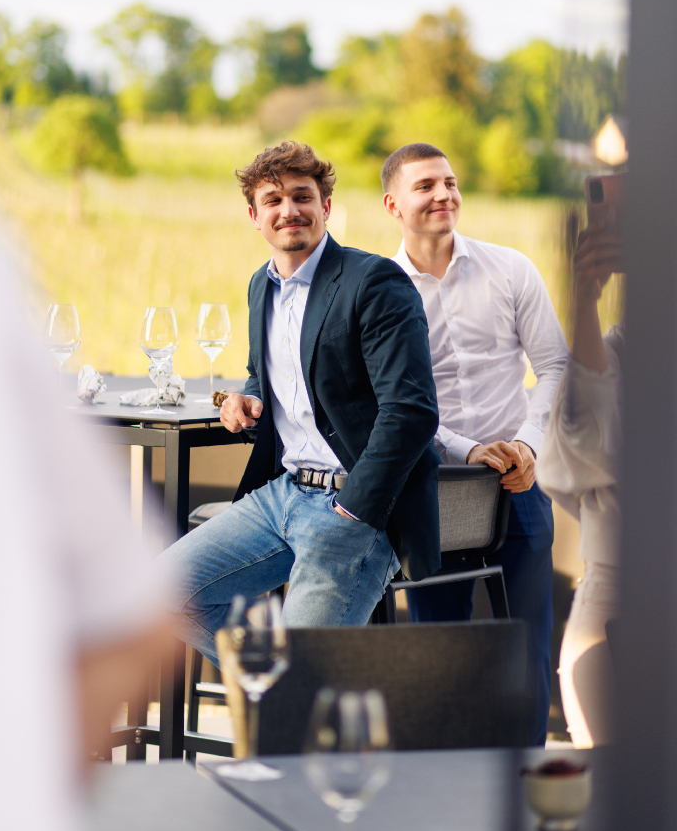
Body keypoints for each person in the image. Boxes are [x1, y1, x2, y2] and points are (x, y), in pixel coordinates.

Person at [159, 140, 441, 667]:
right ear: (254, 216)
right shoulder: (260, 288)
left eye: (302, 196)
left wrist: (353, 509)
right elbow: (265, 376)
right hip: (281, 495)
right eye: (273, 200)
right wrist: (246, 399)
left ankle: (289, 695)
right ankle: (275, 690)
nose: (288, 210)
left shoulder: (374, 281)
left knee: (300, 673)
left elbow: (412, 411)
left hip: (355, 506)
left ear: (325, 206)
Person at [0, 182, 171, 831]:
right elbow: (138, 620)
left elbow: (138, 623)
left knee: (288, 637)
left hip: (343, 510)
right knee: (186, 580)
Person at [382, 142, 569, 746]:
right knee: (442, 655)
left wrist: (527, 445)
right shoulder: (380, 291)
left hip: (518, 481)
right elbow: (394, 402)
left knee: (528, 648)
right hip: (431, 489)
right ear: (393, 205)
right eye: (425, 186)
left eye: (450, 182)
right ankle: (448, 782)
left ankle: (530, 776)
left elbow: (556, 366)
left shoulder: (510, 269)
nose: (444, 194)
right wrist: (466, 448)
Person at [538, 219, 623, 748]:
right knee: (606, 769)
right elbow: (588, 437)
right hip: (615, 592)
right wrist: (585, 302)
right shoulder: (621, 350)